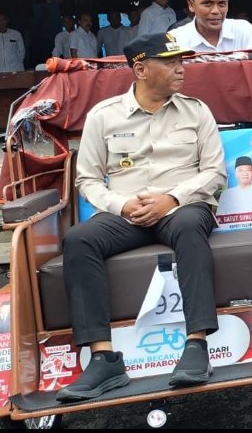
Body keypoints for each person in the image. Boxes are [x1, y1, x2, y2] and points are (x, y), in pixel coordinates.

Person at [56, 32, 225, 402]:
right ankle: (103, 359)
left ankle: (197, 344)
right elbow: (86, 178)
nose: (181, 69)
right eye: (171, 62)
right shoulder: (104, 116)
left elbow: (215, 172)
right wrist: (120, 205)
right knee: (79, 239)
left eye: (182, 61)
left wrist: (171, 198)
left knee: (188, 226)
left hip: (181, 206)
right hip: (126, 211)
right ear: (141, 69)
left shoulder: (197, 111)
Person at [216, 156, 252, 221]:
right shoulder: (226, 195)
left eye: (248, 170)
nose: (245, 173)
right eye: (240, 170)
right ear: (235, 173)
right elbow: (220, 221)